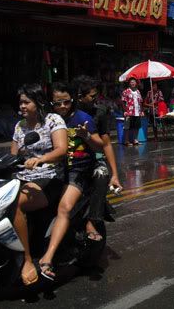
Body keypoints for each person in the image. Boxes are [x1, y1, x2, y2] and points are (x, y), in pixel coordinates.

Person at [38, 82, 104, 281]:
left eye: (66, 102)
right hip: (52, 172)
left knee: (64, 208)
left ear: (72, 100)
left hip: (78, 171)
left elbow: (100, 145)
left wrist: (86, 136)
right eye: (58, 103)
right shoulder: (47, 121)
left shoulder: (83, 119)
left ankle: (47, 258)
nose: (63, 106)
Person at [11, 84, 68, 285]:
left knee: (16, 203)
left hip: (49, 176)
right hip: (23, 177)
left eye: (27, 102)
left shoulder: (53, 120)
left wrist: (41, 159)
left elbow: (61, 150)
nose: (23, 106)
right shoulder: (20, 126)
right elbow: (13, 155)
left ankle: (27, 260)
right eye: (21, 102)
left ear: (38, 102)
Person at [73, 76, 122, 242]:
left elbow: (106, 144)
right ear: (79, 96)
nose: (95, 100)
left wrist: (114, 174)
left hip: (92, 158)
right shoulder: (65, 113)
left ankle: (92, 220)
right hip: (68, 160)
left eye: (96, 96)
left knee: (101, 175)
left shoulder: (100, 111)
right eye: (92, 96)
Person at [121, 78, 143, 146]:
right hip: (129, 111)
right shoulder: (126, 91)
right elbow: (123, 102)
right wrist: (124, 111)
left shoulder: (138, 91)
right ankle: (126, 141)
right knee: (127, 126)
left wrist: (141, 111)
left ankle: (135, 140)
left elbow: (141, 102)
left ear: (136, 83)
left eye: (134, 82)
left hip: (137, 111)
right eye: (131, 82)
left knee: (136, 126)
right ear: (129, 83)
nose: (133, 83)